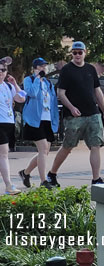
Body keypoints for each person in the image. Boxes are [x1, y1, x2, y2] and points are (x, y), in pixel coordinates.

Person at [47, 41, 104, 186]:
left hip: (93, 113)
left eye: (80, 52)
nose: (77, 55)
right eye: (74, 52)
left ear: (85, 53)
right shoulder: (67, 70)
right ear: (72, 54)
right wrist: (71, 107)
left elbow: (97, 91)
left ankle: (96, 179)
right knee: (68, 147)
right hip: (74, 116)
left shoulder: (90, 69)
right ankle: (52, 173)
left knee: (95, 145)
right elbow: (61, 93)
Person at [19, 58, 59, 190]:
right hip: (34, 120)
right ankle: (43, 181)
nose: (44, 68)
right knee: (42, 149)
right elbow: (32, 93)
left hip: (47, 119)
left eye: (45, 66)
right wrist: (37, 79)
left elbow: (52, 102)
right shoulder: (29, 80)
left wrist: (54, 119)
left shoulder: (48, 83)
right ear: (35, 68)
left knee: (45, 151)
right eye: (41, 66)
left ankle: (25, 173)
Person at [0, 56, 26, 194]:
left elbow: (21, 98)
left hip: (8, 123)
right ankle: (9, 185)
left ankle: (8, 185)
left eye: (3, 70)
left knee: (4, 154)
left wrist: (15, 84)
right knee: (3, 154)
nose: (1, 72)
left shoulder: (8, 86)